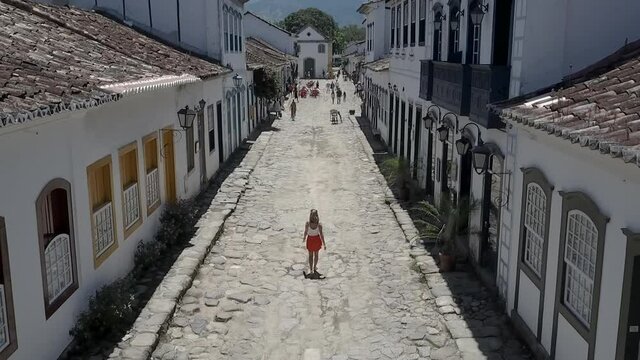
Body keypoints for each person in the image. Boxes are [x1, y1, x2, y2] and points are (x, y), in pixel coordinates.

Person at [302, 209, 326, 278]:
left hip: (310, 240)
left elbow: (305, 232)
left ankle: (311, 269)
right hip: (317, 240)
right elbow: (321, 235)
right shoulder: (319, 225)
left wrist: (304, 238)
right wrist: (324, 244)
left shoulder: (307, 224)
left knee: (310, 256)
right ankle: (315, 267)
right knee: (316, 255)